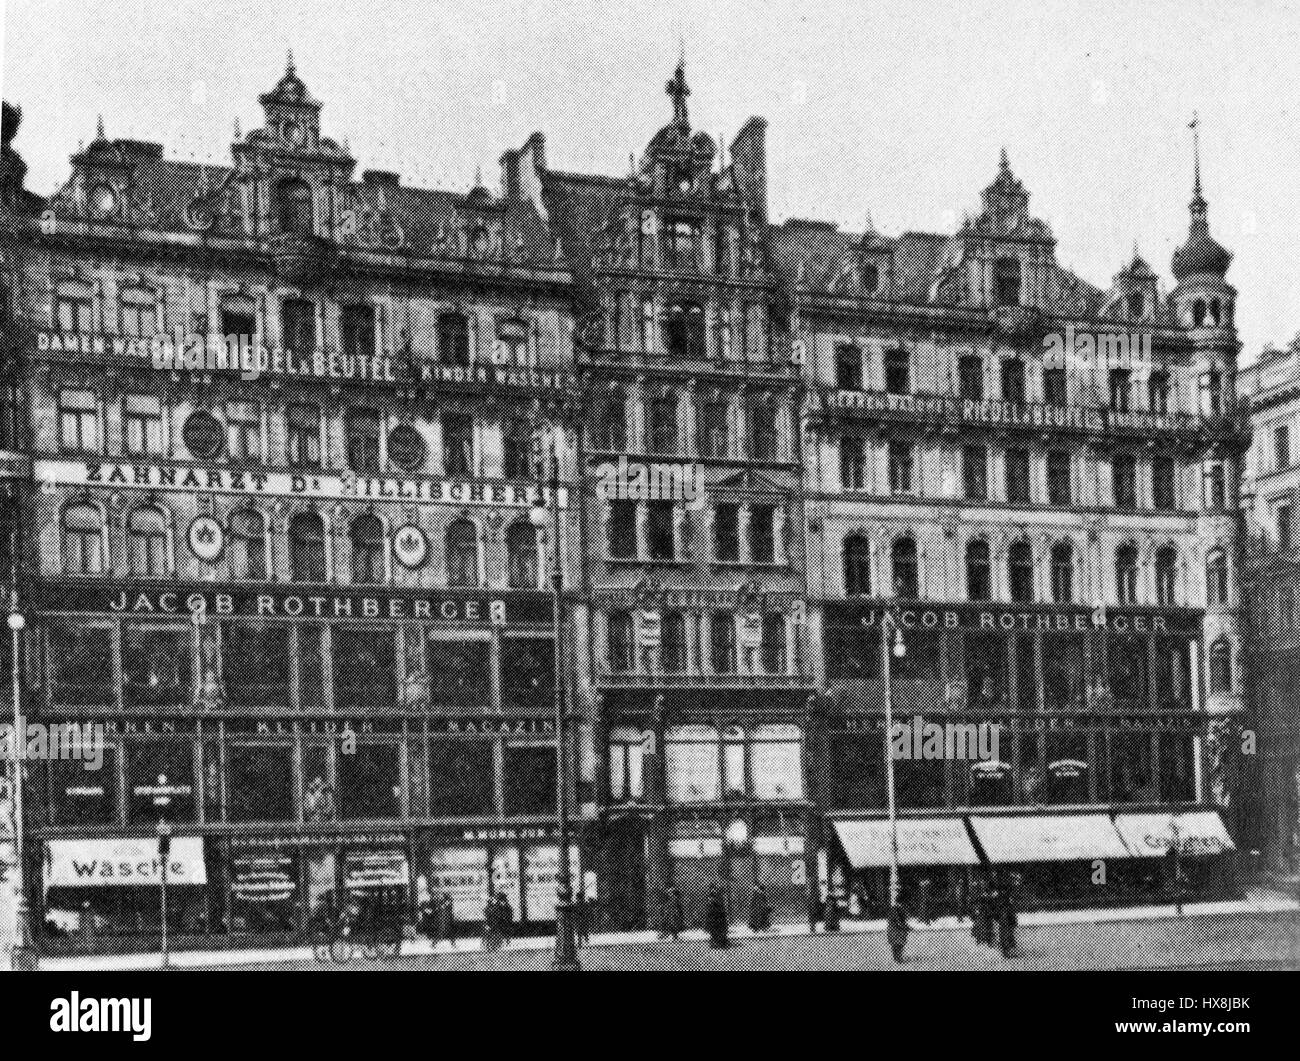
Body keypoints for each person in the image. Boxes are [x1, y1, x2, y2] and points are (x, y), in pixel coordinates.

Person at [706, 883, 729, 948]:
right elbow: (708, 906)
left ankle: (720, 943)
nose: (713, 890)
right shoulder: (710, 895)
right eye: (712, 889)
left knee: (719, 930)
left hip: (718, 916)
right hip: (713, 916)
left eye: (714, 889)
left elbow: (721, 905)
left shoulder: (718, 895)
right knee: (714, 931)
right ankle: (715, 943)